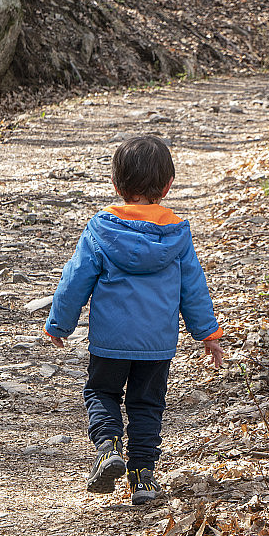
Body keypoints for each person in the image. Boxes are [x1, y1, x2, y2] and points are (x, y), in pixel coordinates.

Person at [44, 135, 223, 505]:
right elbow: (193, 287)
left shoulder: (101, 228)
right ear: (168, 186)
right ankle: (142, 477)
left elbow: (75, 278)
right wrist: (208, 333)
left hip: (110, 339)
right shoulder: (176, 233)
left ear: (115, 186)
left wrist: (59, 323)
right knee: (146, 405)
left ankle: (108, 446)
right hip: (157, 344)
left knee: (101, 392)